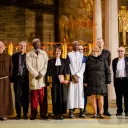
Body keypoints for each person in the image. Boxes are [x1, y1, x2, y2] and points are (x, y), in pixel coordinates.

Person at [84, 45, 111, 118]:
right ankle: (95, 113)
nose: (94, 52)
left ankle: (101, 113)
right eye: (93, 51)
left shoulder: (103, 59)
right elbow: (86, 72)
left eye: (96, 51)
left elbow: (108, 71)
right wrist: (85, 81)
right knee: (93, 98)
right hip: (91, 80)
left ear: (99, 52)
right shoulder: (88, 60)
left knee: (100, 98)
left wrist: (108, 81)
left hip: (101, 80)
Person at [26, 38, 48, 120]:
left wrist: (41, 73)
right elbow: (29, 66)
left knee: (42, 98)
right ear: (33, 45)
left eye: (38, 43)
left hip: (41, 78)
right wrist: (36, 74)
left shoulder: (44, 54)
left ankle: (43, 113)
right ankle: (33, 113)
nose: (37, 45)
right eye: (35, 43)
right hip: (34, 78)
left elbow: (46, 64)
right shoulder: (29, 55)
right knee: (34, 98)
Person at [46, 46, 70, 120]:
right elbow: (49, 72)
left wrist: (66, 79)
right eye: (56, 51)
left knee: (62, 97)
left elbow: (67, 70)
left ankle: (62, 113)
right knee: (55, 97)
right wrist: (49, 82)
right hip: (54, 81)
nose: (57, 52)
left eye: (59, 51)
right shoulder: (50, 61)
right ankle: (56, 113)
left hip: (62, 82)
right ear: (54, 52)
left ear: (61, 52)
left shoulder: (65, 61)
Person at [67, 41, 86, 118]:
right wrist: (73, 75)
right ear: (72, 46)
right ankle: (71, 110)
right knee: (71, 94)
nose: (76, 46)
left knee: (80, 94)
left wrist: (78, 75)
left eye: (77, 45)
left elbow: (83, 66)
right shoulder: (69, 55)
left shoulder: (83, 56)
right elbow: (69, 65)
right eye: (74, 45)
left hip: (80, 78)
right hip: (72, 77)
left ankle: (81, 111)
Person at [12, 41, 29, 120]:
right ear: (19, 47)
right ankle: (18, 114)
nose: (23, 47)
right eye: (21, 45)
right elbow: (12, 68)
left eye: (24, 46)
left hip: (26, 79)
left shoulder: (28, 56)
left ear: (26, 47)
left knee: (26, 96)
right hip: (17, 78)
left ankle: (25, 113)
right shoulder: (14, 56)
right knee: (17, 96)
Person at [96, 38, 111, 116]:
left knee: (105, 94)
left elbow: (108, 65)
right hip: (96, 76)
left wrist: (108, 80)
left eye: (101, 42)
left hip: (104, 76)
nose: (99, 43)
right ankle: (98, 110)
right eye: (98, 42)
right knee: (97, 94)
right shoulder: (95, 52)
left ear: (103, 43)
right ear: (96, 43)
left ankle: (106, 110)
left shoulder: (107, 53)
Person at [112, 47, 128, 116]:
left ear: (124, 52)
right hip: (117, 80)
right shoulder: (114, 60)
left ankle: (127, 111)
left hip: (126, 80)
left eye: (121, 51)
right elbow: (114, 70)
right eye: (119, 51)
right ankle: (119, 111)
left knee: (127, 97)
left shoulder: (127, 59)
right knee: (118, 97)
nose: (120, 52)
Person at [0, 41, 14, 121]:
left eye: (1, 45)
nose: (0, 47)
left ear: (4, 47)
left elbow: (11, 68)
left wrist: (10, 79)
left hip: (5, 81)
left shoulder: (8, 57)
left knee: (5, 98)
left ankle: (4, 115)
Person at [78, 45, 88, 112]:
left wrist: (86, 81)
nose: (80, 51)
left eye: (81, 49)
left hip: (83, 80)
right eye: (79, 49)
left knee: (83, 95)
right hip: (75, 79)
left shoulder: (86, 59)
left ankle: (83, 109)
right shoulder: (73, 58)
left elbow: (87, 71)